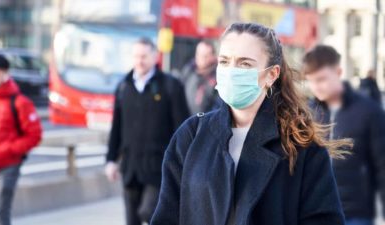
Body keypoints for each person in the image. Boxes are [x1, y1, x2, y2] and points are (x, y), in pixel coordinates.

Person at [151, 23, 348, 225]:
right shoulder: (192, 134)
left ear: (272, 74)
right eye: (225, 61)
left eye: (245, 64)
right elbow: (167, 215)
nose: (231, 71)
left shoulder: (300, 144)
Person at [105, 38, 189, 225]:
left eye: (143, 56)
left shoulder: (170, 86)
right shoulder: (123, 86)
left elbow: (183, 127)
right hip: (130, 167)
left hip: (159, 168)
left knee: (149, 212)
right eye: (136, 56)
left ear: (154, 56)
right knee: (132, 219)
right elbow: (116, 126)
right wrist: (111, 159)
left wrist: (182, 162)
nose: (139, 61)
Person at [303, 45, 385, 225]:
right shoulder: (307, 113)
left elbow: (382, 166)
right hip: (315, 211)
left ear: (338, 72)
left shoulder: (369, 112)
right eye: (311, 80)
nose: (315, 86)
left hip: (355, 213)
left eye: (321, 79)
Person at [0, 54, 42, 225]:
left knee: (2, 213)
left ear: (5, 74)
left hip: (8, 165)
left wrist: (10, 149)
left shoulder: (19, 102)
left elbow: (34, 135)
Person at [176, 40, 219, 114]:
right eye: (198, 54)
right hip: (187, 120)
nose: (200, 58)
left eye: (205, 56)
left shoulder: (217, 76)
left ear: (213, 56)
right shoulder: (189, 70)